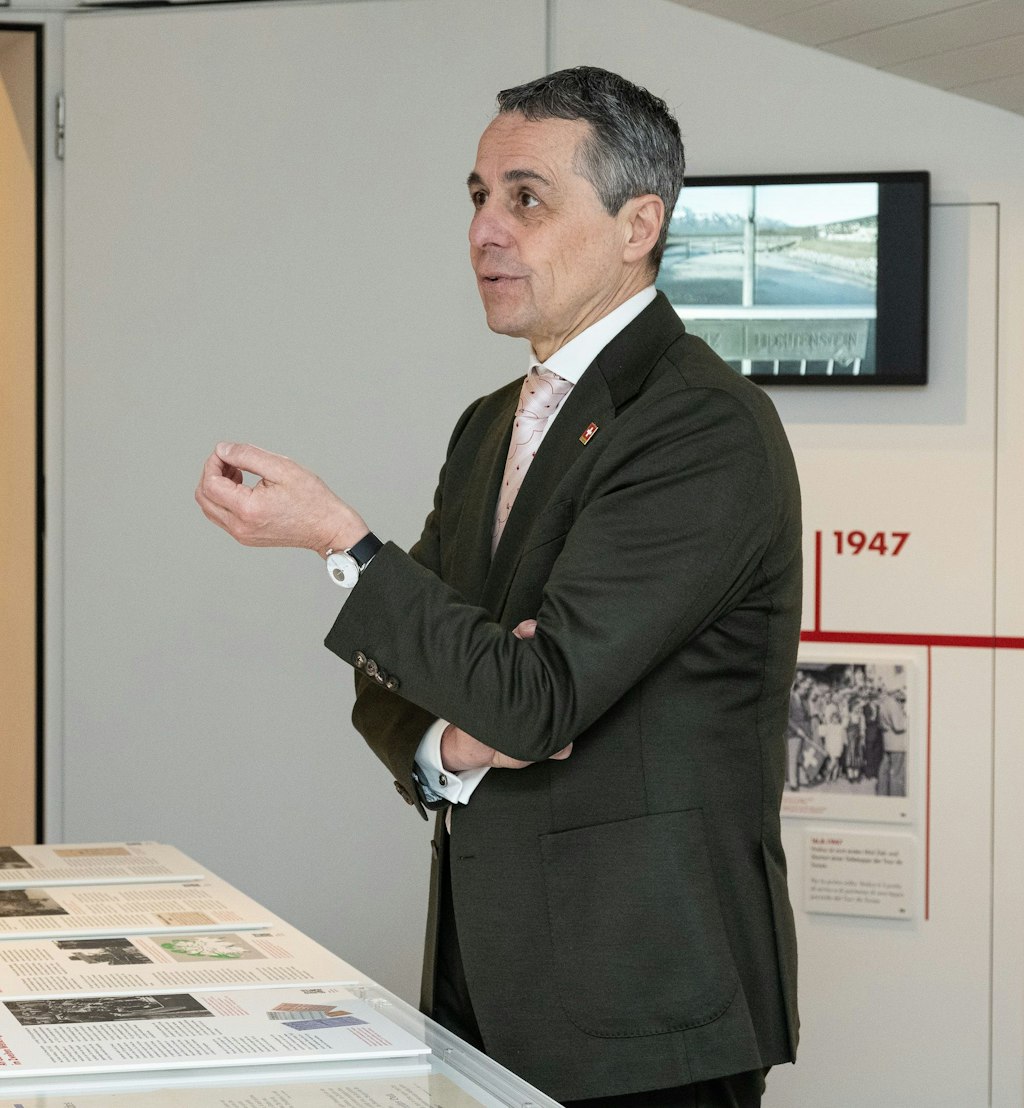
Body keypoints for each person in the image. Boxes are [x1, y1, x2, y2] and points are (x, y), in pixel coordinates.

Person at [196, 66, 801, 1107]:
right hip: (480, 994)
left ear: (636, 223)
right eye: (477, 197)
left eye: (526, 197)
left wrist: (341, 540)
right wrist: (452, 740)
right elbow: (398, 678)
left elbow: (531, 694)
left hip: (643, 1019)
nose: (485, 231)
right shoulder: (490, 424)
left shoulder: (703, 427)